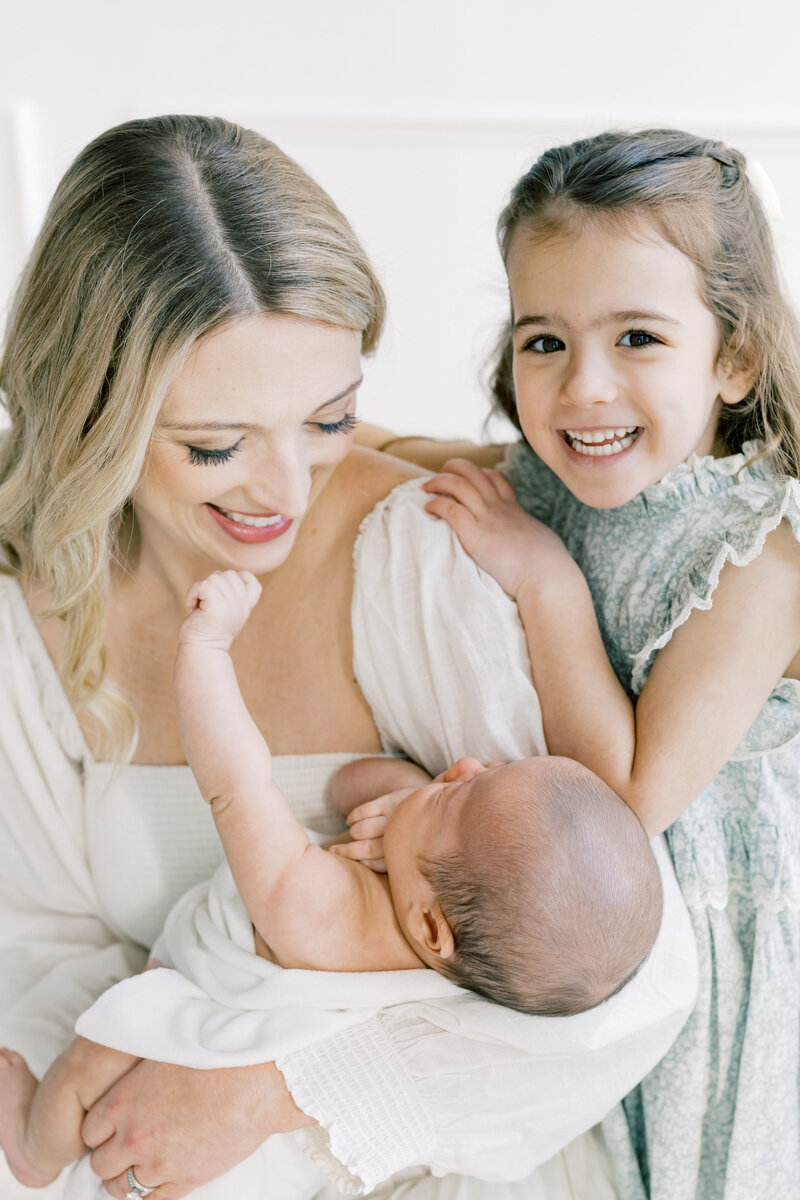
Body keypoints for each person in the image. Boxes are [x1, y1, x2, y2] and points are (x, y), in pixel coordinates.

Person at [0, 115, 697, 1200]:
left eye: (330, 420)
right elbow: (45, 942)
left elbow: (622, 984)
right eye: (217, 446)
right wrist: (95, 1111)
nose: (286, 491)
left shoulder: (419, 557)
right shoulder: (31, 604)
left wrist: (283, 1093)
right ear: (91, 415)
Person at [0, 563, 664, 1190]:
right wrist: (411, 806)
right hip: (243, 1077)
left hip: (192, 1016)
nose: (465, 764)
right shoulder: (461, 957)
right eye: (488, 771)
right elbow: (352, 783)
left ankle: (33, 1149)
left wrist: (206, 648)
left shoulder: (319, 908)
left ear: (431, 925)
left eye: (456, 797)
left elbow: (235, 785)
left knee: (90, 1060)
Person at [413, 129, 800, 1199]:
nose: (584, 387)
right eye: (543, 341)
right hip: (588, 936)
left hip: (724, 957)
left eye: (636, 337)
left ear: (733, 358)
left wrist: (547, 586)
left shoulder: (757, 550)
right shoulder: (552, 479)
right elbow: (398, 460)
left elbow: (626, 799)